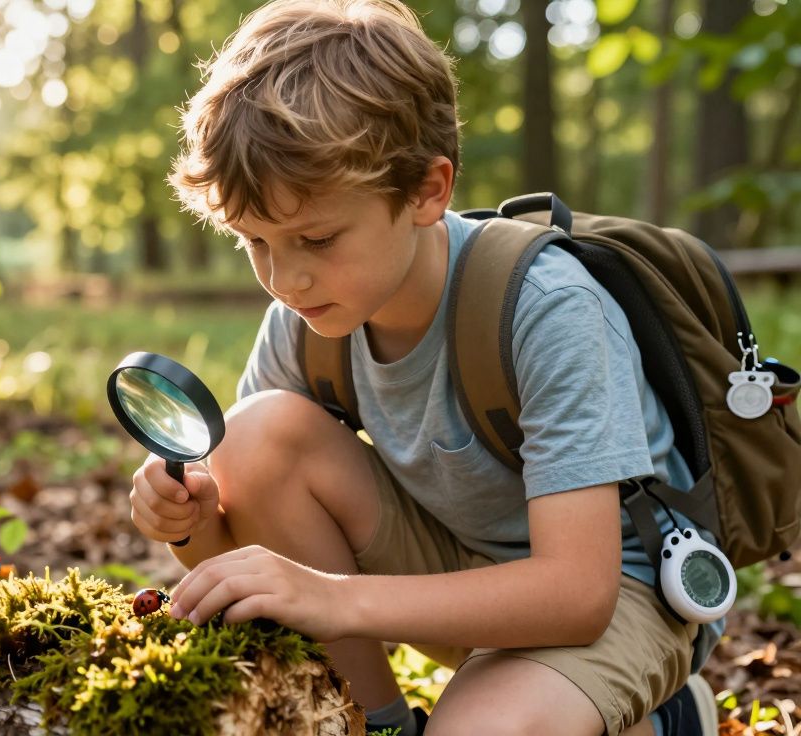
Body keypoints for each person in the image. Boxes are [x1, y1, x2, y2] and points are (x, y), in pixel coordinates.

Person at [127, 1, 724, 734]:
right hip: (456, 579)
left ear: (426, 191)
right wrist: (187, 526)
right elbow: (256, 558)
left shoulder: (547, 307)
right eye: (257, 242)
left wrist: (338, 597)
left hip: (618, 597)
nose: (286, 279)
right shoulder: (308, 320)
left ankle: (665, 717)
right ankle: (377, 723)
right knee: (253, 438)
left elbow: (579, 592)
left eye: (316, 237)